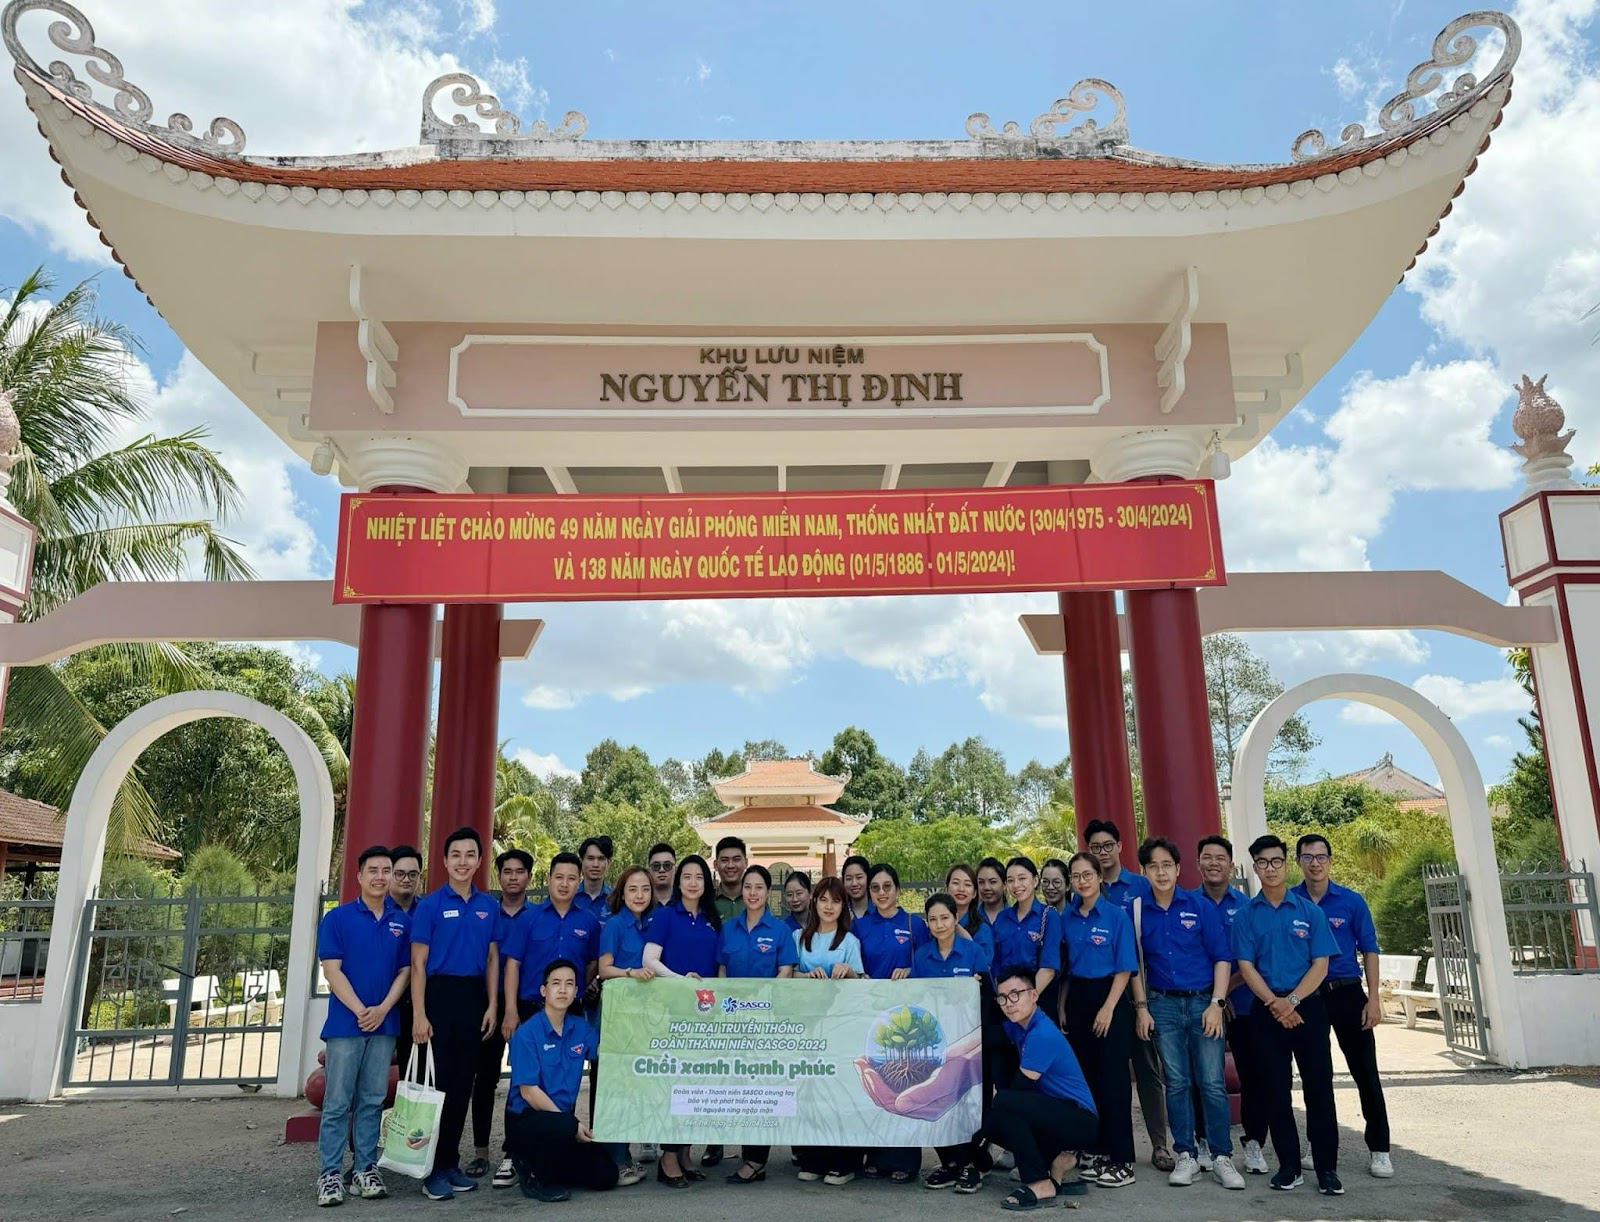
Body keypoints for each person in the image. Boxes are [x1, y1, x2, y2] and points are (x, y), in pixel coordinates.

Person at [1231, 834, 1342, 1196]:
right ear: (1254, 868)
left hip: (1306, 1006)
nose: (1270, 868)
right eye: (1262, 863)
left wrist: (1292, 1000)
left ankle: (1326, 1168)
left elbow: (1321, 963)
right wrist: (1275, 1003)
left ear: (1286, 863)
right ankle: (1289, 1166)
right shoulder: (1247, 915)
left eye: (1276, 861)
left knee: (1319, 1090)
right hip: (1266, 1009)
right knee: (1275, 1092)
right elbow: (1246, 967)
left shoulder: (1310, 911)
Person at [1132, 837, 1243, 1190]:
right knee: (1177, 1082)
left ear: (1179, 869)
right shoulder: (1137, 911)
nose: (1161, 872)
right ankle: (1186, 1154)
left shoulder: (1200, 907)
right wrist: (1142, 1009)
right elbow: (1134, 964)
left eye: (1167, 865)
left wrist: (1217, 1003)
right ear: (1144, 871)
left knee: (1211, 1083)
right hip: (1162, 1005)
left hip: (1202, 1004)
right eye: (1153, 866)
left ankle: (1222, 1155)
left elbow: (1222, 958)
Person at [493, 852, 600, 1188]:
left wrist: (579, 990)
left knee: (563, 1074)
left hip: (570, 1008)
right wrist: (510, 1010)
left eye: (572, 878)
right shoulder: (529, 918)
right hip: (528, 1007)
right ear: (548, 879)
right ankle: (513, 1154)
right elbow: (512, 966)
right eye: (559, 877)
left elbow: (592, 964)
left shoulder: (589, 922)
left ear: (578, 880)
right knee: (521, 1084)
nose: (565, 883)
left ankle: (562, 1141)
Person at [1292, 832, 1393, 1179]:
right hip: (1308, 996)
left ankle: (1379, 1148)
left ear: (1330, 860)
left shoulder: (1351, 901)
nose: (1315, 863)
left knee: (1365, 1071)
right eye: (1308, 857)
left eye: (1321, 856)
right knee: (1314, 1076)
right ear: (1299, 862)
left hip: (1347, 992)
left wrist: (1374, 997)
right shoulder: (1291, 902)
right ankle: (1317, 1143)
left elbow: (1370, 950)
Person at [315, 845, 411, 1207]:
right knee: (338, 1102)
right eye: (373, 870)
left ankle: (365, 1168)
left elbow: (405, 970)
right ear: (359, 875)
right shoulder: (337, 919)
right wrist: (360, 1010)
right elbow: (331, 970)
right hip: (346, 1024)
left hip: (385, 1025)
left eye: (387, 870)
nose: (381, 877)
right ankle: (329, 1173)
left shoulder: (402, 922)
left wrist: (383, 1008)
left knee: (372, 1100)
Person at [409, 827, 500, 1202]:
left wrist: (493, 1004)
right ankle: (429, 1170)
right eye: (456, 855)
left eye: (470, 855)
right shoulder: (429, 905)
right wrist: (419, 1014)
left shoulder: (488, 906)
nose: (463, 862)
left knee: (464, 1084)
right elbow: (417, 964)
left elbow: (493, 958)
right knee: (436, 1087)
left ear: (480, 861)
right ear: (444, 861)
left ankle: (449, 1163)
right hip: (439, 996)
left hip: (474, 998)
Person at [1084, 819, 1170, 1172]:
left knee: (1148, 1067)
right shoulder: (1084, 890)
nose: (1102, 853)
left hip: (1140, 987)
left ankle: (1161, 1144)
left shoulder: (1140, 885)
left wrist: (1142, 1002)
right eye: (1095, 848)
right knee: (1108, 1074)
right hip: (1101, 996)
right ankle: (1108, 1145)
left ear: (1120, 846)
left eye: (1107, 845)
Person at [503, 959, 619, 1202]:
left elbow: (609, 1050)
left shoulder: (580, 1028)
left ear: (576, 991)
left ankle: (551, 1166)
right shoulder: (526, 1034)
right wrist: (572, 1125)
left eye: (569, 984)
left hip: (561, 1126)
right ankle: (532, 1173)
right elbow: (529, 1093)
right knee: (563, 1127)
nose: (563, 989)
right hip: (527, 1121)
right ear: (544, 991)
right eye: (556, 984)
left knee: (606, 1175)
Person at [986, 965, 1099, 1211]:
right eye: (1003, 997)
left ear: (1034, 995)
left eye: (1016, 994)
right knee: (999, 1115)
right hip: (1055, 1112)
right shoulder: (1020, 1025)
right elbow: (990, 1037)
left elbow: (1018, 1092)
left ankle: (1040, 1182)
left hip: (1079, 1119)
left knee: (1003, 1107)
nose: (1009, 1003)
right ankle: (1057, 1165)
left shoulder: (1041, 1034)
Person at [1057, 851, 1137, 1190]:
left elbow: (1125, 967)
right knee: (1087, 1079)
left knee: (1114, 1081)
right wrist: (1063, 1007)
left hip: (1111, 1000)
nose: (1082, 881)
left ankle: (1122, 1160)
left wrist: (1108, 1008)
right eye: (1075, 876)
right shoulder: (1067, 917)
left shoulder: (1116, 917)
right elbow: (1066, 969)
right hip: (1078, 999)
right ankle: (1098, 1151)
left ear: (1098, 877)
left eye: (1087, 874)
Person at [643, 854, 723, 1186]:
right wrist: (681, 981)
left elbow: (719, 966)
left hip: (704, 1013)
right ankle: (668, 1158)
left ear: (706, 884)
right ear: (679, 882)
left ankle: (685, 1152)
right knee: (673, 1084)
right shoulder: (664, 916)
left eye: (699, 877)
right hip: (672, 1009)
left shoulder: (712, 919)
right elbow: (650, 959)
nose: (692, 882)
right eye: (687, 876)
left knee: (697, 1084)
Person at [718, 864, 799, 1185]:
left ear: (768, 892)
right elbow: (722, 972)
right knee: (739, 1088)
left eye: (759, 887)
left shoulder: (779, 931)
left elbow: (786, 972)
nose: (752, 892)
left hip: (767, 1024)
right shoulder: (729, 929)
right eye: (747, 887)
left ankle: (756, 1160)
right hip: (735, 1022)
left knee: (761, 1088)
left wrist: (763, 1007)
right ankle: (748, 1155)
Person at [1195, 834, 1267, 1174]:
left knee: (1253, 1075)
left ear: (1231, 864)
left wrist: (1224, 994)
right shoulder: (1187, 904)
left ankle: (1254, 1143)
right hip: (1200, 1004)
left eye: (1220, 858)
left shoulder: (1249, 907)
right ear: (1197, 864)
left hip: (1243, 1004)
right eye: (1207, 857)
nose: (1213, 863)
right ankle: (1204, 1141)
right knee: (1200, 1076)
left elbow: (1252, 957)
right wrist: (1212, 999)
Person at [855, 863, 930, 1183]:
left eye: (887, 886)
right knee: (874, 1085)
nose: (882, 893)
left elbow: (928, 961)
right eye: (875, 888)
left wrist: (910, 972)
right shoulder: (860, 926)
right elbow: (854, 965)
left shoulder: (915, 923)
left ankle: (905, 1159)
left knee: (904, 1084)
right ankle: (874, 1155)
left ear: (898, 889)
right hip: (870, 1014)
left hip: (904, 1020)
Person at [913, 892, 989, 1193]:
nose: (939, 924)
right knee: (935, 1100)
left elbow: (986, 997)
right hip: (935, 1042)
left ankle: (973, 1165)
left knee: (969, 1103)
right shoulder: (921, 956)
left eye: (945, 918)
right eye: (933, 919)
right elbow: (916, 999)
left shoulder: (973, 953)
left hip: (969, 1042)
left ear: (955, 919)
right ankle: (949, 1163)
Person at [791, 876, 863, 1185]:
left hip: (839, 1027)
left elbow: (862, 982)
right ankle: (813, 1158)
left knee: (839, 1093)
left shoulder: (850, 942)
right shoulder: (798, 938)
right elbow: (788, 974)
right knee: (810, 1091)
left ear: (842, 905)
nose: (828, 906)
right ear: (814, 902)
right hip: (807, 1025)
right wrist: (808, 977)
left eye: (835, 901)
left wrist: (848, 972)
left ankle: (844, 1161)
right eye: (823, 900)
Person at [468, 850, 533, 1182]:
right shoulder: (483, 912)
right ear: (498, 876)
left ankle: (515, 1151)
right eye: (506, 871)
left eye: (519, 872)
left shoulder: (536, 916)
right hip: (487, 1004)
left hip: (526, 1005)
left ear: (529, 878)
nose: (512, 877)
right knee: (485, 1078)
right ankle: (481, 1151)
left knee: (524, 1081)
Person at [597, 866, 658, 1178]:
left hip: (646, 1017)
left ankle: (626, 1156)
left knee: (638, 1086)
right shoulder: (614, 925)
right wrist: (630, 973)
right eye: (633, 889)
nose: (639, 895)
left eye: (645, 889)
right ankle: (616, 1161)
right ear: (622, 892)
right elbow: (604, 969)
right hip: (619, 1016)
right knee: (618, 1087)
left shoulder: (650, 926)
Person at [992, 857, 1061, 1003]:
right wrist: (1006, 998)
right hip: (1007, 1001)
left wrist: (1025, 1000)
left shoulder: (1049, 916)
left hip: (1038, 998)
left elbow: (1048, 968)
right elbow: (996, 962)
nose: (1016, 885)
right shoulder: (1002, 918)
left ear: (1035, 881)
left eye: (1022, 878)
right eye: (1010, 880)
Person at [386, 844, 423, 1077]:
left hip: (417, 1003)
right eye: (399, 873)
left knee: (414, 1071)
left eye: (413, 874)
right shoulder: (378, 909)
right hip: (382, 1001)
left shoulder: (428, 910)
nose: (406, 879)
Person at [575, 836, 614, 924]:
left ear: (609, 863)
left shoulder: (615, 901)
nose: (595, 864)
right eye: (590, 858)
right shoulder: (570, 898)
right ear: (581, 862)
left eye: (601, 859)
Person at [712, 836, 748, 919]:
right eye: (724, 860)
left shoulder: (755, 899)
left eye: (736, 860)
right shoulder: (707, 901)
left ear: (746, 862)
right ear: (715, 865)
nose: (730, 866)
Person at [975, 857, 1009, 926]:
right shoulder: (971, 918)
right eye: (981, 882)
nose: (986, 887)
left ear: (1005, 884)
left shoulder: (1015, 918)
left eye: (993, 882)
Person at [646, 842, 677, 907]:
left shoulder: (687, 903)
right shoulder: (640, 905)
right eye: (656, 866)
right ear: (649, 870)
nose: (662, 870)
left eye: (667, 865)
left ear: (676, 869)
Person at [841, 855, 871, 921]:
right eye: (848, 879)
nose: (854, 883)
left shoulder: (880, 910)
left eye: (859, 877)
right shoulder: (839, 913)